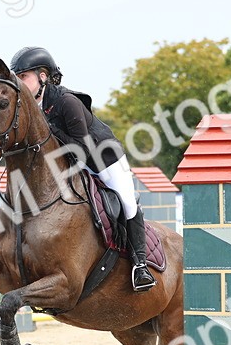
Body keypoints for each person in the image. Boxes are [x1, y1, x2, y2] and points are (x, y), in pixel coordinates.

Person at [9, 45, 156, 292]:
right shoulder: (31, 107)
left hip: (104, 160)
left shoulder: (67, 102)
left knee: (128, 203)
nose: (19, 82)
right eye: (17, 77)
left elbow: (82, 148)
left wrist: (51, 130)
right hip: (73, 165)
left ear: (42, 76)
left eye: (24, 76)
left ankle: (140, 266)